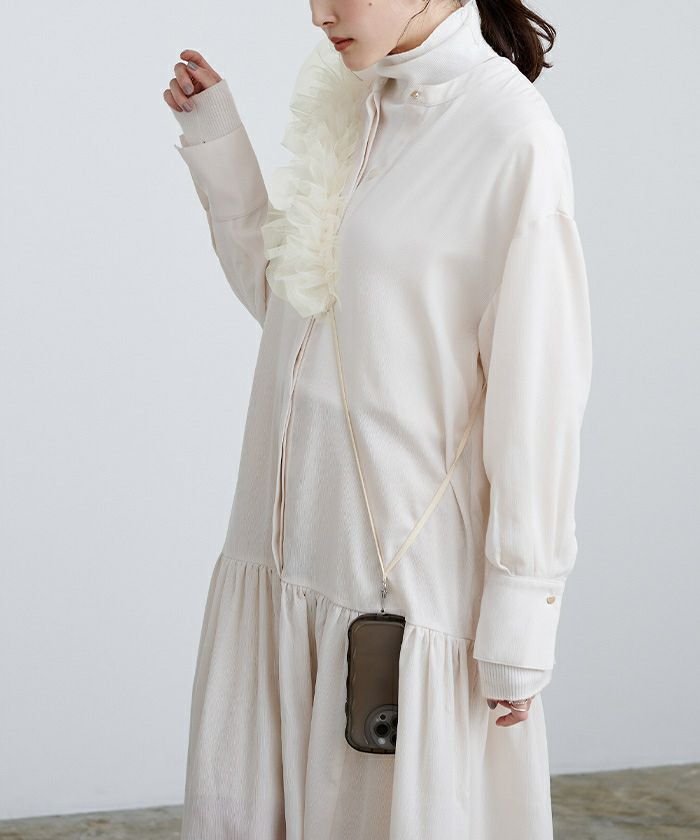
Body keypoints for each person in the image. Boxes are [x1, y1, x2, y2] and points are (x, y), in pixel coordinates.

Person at [163, 0, 593, 837]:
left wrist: (522, 615)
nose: (319, 13)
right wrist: (219, 144)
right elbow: (294, 308)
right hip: (281, 554)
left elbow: (538, 391)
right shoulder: (352, 95)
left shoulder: (510, 136)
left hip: (391, 591)